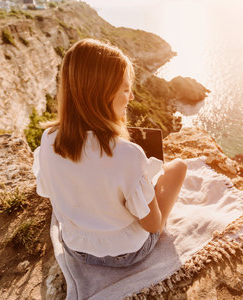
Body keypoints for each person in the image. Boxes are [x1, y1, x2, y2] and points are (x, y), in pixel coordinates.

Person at [33, 39, 187, 268]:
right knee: (178, 167)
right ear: (102, 95)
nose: (132, 97)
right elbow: (152, 225)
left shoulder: (48, 141)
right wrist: (145, 190)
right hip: (128, 253)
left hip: (76, 249)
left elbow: (52, 191)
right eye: (125, 89)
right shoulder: (129, 154)